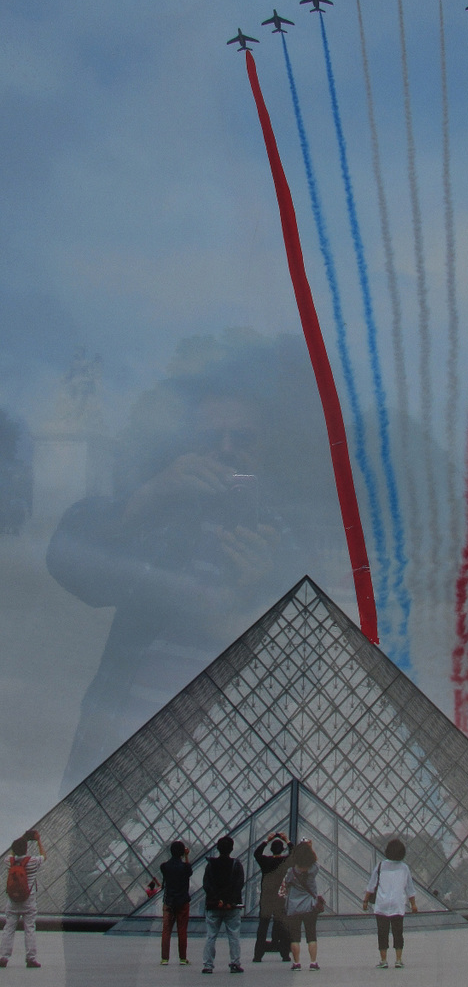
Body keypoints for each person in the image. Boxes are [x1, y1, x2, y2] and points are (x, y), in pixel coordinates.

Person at [47, 333, 341, 793]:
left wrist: (259, 602)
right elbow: (67, 563)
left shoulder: (289, 538)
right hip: (123, 758)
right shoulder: (159, 513)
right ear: (189, 443)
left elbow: (308, 669)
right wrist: (147, 496)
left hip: (226, 771)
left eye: (241, 437)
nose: (225, 448)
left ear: (264, 445)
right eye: (210, 437)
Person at [362, 838, 418, 969]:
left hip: (381, 905)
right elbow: (410, 888)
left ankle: (383, 960)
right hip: (398, 906)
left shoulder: (381, 866)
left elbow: (371, 885)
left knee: (382, 933)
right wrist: (413, 904)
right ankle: (398, 959)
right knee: (398, 933)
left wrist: (365, 901)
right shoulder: (404, 868)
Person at [0, 830, 46, 969]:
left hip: (13, 902)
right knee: (30, 929)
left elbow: (14, 851)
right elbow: (44, 856)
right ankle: (31, 958)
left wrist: (22, 838)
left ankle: (3, 957)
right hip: (29, 901)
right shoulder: (33, 861)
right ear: (26, 848)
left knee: (9, 929)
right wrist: (38, 840)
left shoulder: (9, 861)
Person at [202, 835, 245, 974]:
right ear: (232, 849)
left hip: (214, 906)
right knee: (234, 936)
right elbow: (238, 885)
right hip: (231, 907)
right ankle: (235, 963)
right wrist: (228, 902)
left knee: (211, 936)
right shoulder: (236, 864)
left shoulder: (210, 864)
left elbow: (207, 885)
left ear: (218, 848)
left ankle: (208, 965)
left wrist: (217, 900)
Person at [281, 840, 322, 970]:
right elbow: (316, 862)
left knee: (295, 937)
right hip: (310, 906)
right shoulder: (313, 870)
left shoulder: (291, 871)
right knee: (311, 935)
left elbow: (286, 883)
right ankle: (313, 962)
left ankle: (297, 963)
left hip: (294, 908)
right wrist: (310, 847)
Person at [253, 832, 292, 962]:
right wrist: (287, 840)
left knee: (262, 927)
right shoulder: (283, 861)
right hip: (279, 898)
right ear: (282, 850)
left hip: (266, 899)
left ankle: (258, 955)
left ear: (270, 849)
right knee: (282, 926)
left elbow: (256, 854)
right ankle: (285, 954)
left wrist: (266, 840)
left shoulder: (265, 861)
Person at [159, 840, 192, 966]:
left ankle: (164, 958)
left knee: (166, 930)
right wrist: (187, 856)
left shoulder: (164, 866)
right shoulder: (185, 867)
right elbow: (189, 872)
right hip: (183, 901)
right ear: (182, 852)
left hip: (169, 901)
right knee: (182, 930)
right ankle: (183, 958)